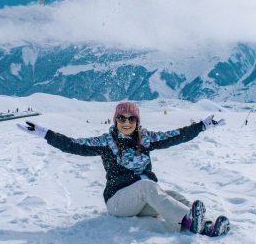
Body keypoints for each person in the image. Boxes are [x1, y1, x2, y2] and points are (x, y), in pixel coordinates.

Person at [17, 101, 229, 236]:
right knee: (148, 186)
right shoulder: (106, 142)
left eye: (131, 118)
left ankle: (206, 225)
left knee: (173, 196)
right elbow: (74, 145)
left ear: (137, 121)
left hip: (140, 201)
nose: (126, 122)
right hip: (118, 203)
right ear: (115, 120)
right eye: (121, 118)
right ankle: (189, 221)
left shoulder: (147, 139)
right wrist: (45, 134)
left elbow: (176, 135)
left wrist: (202, 125)